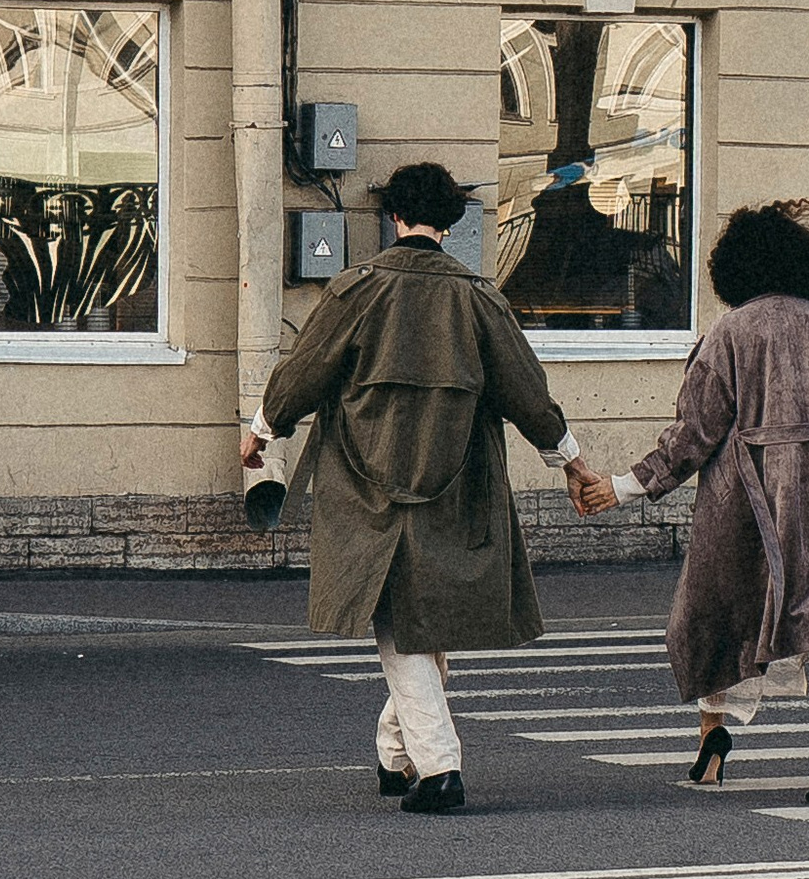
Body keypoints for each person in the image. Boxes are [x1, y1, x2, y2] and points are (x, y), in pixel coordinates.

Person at [243, 160, 610, 815]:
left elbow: (305, 372)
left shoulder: (356, 290)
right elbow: (529, 395)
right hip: (456, 484)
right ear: (451, 221)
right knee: (420, 614)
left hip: (365, 483)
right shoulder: (477, 296)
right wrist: (570, 462)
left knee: (398, 620)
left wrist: (263, 430)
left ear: (392, 217)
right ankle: (396, 755)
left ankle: (440, 770)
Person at [593, 199, 809, 803]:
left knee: (723, 606)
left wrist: (625, 485)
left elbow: (694, 434)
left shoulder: (729, 334)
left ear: (732, 270)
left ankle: (712, 745)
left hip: (751, 495)